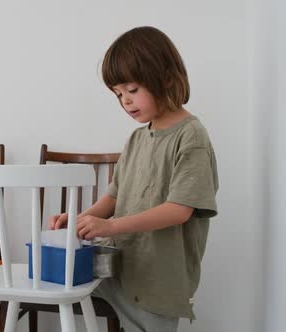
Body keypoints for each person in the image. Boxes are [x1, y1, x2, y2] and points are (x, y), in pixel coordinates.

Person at [49, 26, 219, 331]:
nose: (125, 101)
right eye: (118, 94)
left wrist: (111, 226)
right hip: (120, 268)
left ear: (165, 77)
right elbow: (115, 196)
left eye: (132, 89)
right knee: (52, 284)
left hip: (158, 280)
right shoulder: (136, 139)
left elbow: (179, 209)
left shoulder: (190, 136)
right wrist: (79, 219)